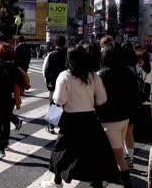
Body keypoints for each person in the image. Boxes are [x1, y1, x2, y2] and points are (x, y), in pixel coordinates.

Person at [41, 45, 120, 188]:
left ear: (69, 59)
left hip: (71, 120)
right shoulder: (93, 76)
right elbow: (102, 99)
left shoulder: (65, 76)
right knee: (92, 153)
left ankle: (57, 182)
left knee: (62, 151)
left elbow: (59, 100)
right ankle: (96, 184)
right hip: (90, 119)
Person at [97, 43, 138, 188]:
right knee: (117, 153)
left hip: (108, 120)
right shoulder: (128, 72)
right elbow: (134, 95)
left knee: (118, 158)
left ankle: (127, 185)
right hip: (124, 117)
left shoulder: (101, 74)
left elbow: (97, 99)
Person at [43, 36, 67, 134]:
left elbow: (47, 70)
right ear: (64, 43)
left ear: (55, 44)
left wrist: (48, 83)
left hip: (54, 84)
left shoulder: (52, 55)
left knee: (54, 105)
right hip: (67, 83)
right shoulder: (68, 54)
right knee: (66, 105)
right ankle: (64, 126)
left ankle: (51, 126)